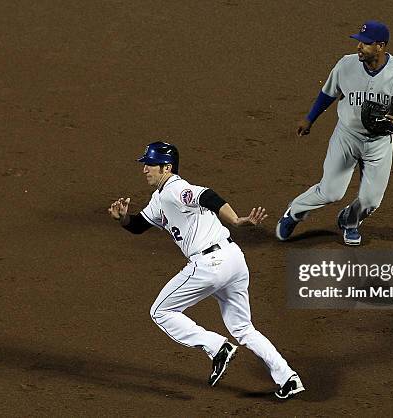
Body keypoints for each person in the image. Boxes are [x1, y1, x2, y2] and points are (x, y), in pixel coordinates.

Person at [109, 141, 304, 399]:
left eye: (150, 164)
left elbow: (207, 196)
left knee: (161, 310)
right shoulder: (159, 199)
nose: (145, 169)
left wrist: (235, 219)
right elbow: (137, 226)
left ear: (166, 167)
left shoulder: (175, 188)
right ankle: (289, 378)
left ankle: (217, 347)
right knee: (243, 328)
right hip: (234, 259)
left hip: (210, 264)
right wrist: (123, 218)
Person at [276, 20, 393, 245]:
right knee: (331, 192)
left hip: (379, 143)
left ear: (380, 46)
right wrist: (309, 118)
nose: (359, 47)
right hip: (346, 137)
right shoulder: (345, 65)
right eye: (359, 42)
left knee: (371, 201)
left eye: (366, 44)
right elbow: (327, 94)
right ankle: (294, 212)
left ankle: (350, 222)